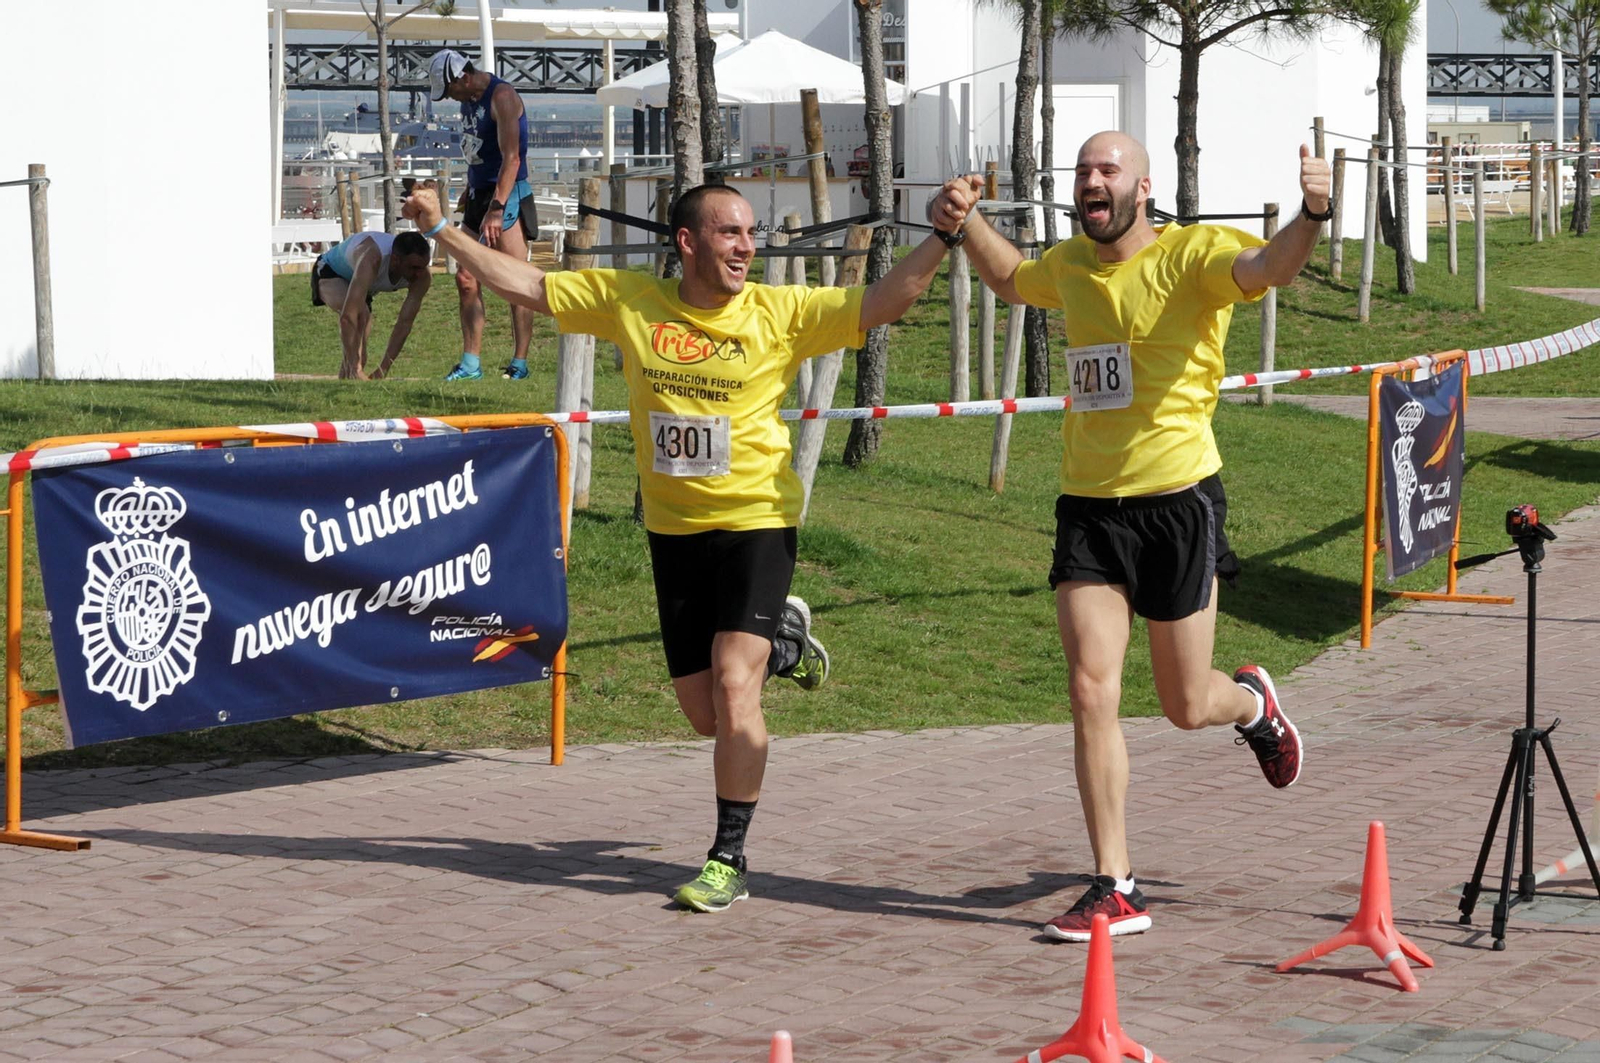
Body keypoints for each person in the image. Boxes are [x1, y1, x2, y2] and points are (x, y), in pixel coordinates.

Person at [402, 180, 952, 912]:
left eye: (751, 234)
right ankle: (783, 644)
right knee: (706, 715)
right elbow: (527, 284)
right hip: (673, 532)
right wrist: (442, 229)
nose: (746, 247)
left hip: (757, 521)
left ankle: (728, 857)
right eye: (730, 233)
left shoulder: (779, 313)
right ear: (688, 241)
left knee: (733, 683)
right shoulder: (633, 302)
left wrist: (943, 236)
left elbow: (883, 301)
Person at [930, 133, 1327, 942]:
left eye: (1108, 170)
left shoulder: (1192, 256)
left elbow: (1271, 269)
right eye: (1083, 170)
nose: (1091, 181)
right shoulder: (1072, 263)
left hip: (1178, 503)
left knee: (1186, 704)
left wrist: (1314, 213)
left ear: (1143, 188)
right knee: (1090, 688)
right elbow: (1011, 279)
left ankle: (1254, 705)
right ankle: (1115, 882)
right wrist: (965, 223)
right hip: (1089, 508)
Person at [428, 48, 535, 381]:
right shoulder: (468, 101)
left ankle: (519, 363)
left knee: (517, 282)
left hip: (505, 196)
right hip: (478, 195)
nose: (449, 97)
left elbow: (512, 158)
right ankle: (471, 363)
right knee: (465, 278)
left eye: (449, 90)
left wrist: (497, 208)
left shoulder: (502, 97)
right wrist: (469, 186)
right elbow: (478, 149)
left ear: (463, 76)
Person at [311, 230, 432, 380]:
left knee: (359, 356)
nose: (419, 274)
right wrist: (356, 369)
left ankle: (346, 382)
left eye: (423, 266)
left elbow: (405, 323)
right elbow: (347, 318)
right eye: (414, 268)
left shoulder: (422, 277)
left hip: (361, 282)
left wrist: (382, 370)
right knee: (361, 316)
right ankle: (353, 372)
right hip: (330, 271)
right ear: (395, 260)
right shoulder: (372, 258)